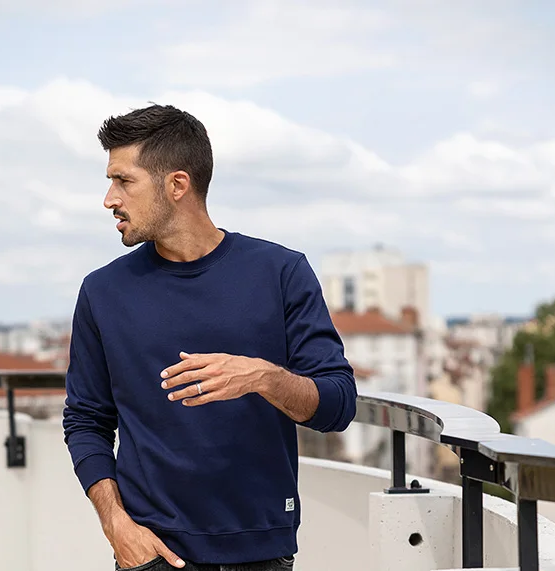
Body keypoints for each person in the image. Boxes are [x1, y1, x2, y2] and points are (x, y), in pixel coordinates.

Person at [63, 104, 357, 571]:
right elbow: (85, 420)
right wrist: (116, 525)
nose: (109, 199)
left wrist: (262, 377)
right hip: (152, 555)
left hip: (262, 553)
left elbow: (338, 406)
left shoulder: (281, 272)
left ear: (177, 185)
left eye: (123, 181)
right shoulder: (103, 291)